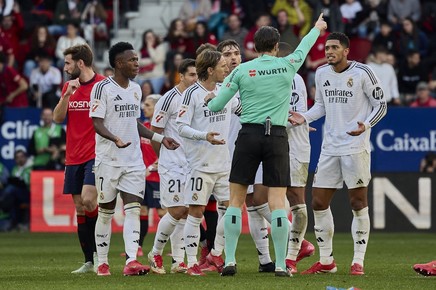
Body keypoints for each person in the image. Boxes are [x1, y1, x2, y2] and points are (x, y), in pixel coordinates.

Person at [206, 14, 328, 277]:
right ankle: (282, 264)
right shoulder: (287, 65)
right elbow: (303, 47)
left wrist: (208, 100)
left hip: (248, 135)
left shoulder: (241, 70)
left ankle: (229, 261)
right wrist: (317, 27)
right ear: (275, 46)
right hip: (277, 138)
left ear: (254, 47)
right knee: (276, 203)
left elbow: (217, 104)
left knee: (236, 201)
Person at [289, 32, 387, 276]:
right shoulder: (321, 73)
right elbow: (320, 105)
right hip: (330, 148)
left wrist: (366, 124)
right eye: (326, 48)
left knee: (357, 203)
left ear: (346, 51)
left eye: (334, 47)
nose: (329, 51)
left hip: (355, 147)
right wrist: (305, 116)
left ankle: (358, 261)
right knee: (318, 202)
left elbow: (381, 105)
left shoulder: (362, 73)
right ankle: (326, 262)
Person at [90, 41, 179, 276]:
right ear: (119, 63)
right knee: (106, 211)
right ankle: (102, 262)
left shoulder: (136, 89)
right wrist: (115, 138)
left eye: (137, 59)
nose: (137, 64)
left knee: (132, 209)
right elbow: (97, 123)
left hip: (133, 161)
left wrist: (159, 138)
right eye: (132, 60)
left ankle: (131, 260)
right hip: (108, 160)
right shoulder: (102, 89)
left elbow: (135, 124)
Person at [176, 49, 241, 276]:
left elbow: (243, 111)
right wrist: (205, 136)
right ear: (211, 70)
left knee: (231, 210)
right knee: (196, 212)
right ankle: (192, 262)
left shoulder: (226, 91)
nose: (227, 69)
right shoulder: (191, 94)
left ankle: (216, 254)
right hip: (200, 165)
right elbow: (180, 127)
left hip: (224, 164)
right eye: (223, 66)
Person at [53, 44, 105, 274]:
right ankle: (89, 261)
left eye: (68, 63)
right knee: (80, 208)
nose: (65, 68)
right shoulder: (68, 87)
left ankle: (99, 253)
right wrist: (66, 95)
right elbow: (57, 118)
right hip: (72, 156)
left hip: (95, 154)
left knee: (88, 200)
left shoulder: (103, 85)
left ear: (80, 63)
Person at [147, 58, 198, 274]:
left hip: (191, 163)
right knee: (177, 210)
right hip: (172, 164)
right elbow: (154, 132)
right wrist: (163, 159)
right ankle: (156, 252)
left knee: (186, 213)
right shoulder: (169, 99)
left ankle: (178, 260)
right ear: (182, 76)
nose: (195, 79)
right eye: (192, 75)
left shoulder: (197, 96)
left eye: (198, 75)